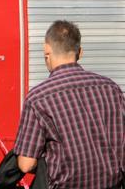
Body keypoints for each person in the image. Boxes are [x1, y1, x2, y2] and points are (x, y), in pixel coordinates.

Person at [14, 20, 125, 189]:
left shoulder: (38, 98)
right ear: (80, 52)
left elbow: (25, 164)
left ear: (46, 51)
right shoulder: (111, 88)